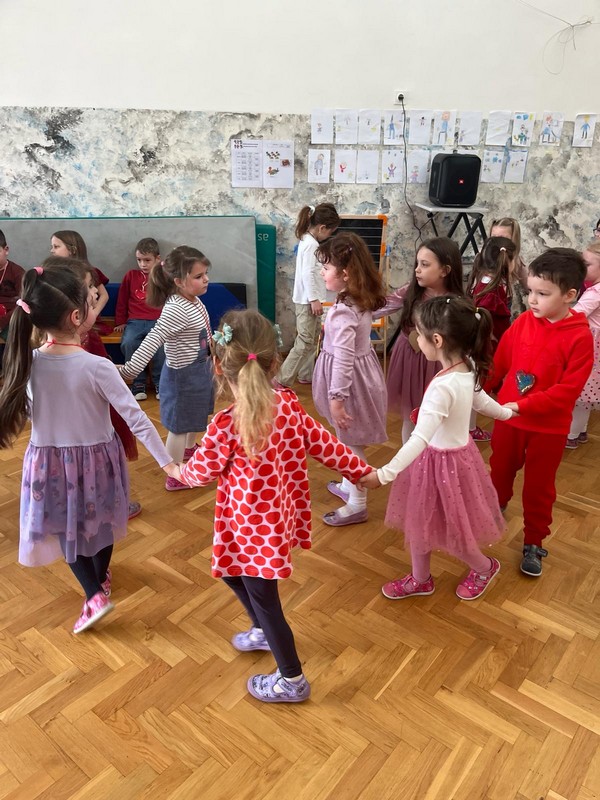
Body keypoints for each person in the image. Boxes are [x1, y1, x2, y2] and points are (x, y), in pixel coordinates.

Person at [172, 310, 372, 703]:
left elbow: (200, 472)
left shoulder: (227, 424)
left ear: (218, 365)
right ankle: (262, 630)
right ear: (275, 361)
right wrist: (361, 471)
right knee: (232, 575)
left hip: (253, 532)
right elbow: (327, 445)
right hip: (267, 524)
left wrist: (178, 471)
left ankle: (292, 680)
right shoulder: (288, 406)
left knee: (267, 602)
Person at [0, 264, 177, 634]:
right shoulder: (97, 366)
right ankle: (98, 584)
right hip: (98, 460)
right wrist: (168, 464)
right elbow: (136, 418)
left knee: (67, 528)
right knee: (104, 521)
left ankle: (93, 591)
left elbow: (30, 411)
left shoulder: (26, 362)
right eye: (91, 301)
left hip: (49, 463)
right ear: (77, 316)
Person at [359, 297, 514, 600]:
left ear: (437, 340)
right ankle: (421, 578)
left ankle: (484, 567)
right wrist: (508, 413)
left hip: (446, 467)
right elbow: (482, 401)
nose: (416, 339)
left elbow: (419, 438)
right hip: (441, 462)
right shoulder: (466, 365)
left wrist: (384, 474)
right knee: (420, 523)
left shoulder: (443, 387)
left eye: (419, 333)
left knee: (456, 532)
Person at [487, 248, 594, 577]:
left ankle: (534, 540)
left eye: (543, 294)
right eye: (530, 291)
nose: (532, 300)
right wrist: (478, 388)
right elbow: (500, 363)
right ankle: (494, 508)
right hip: (508, 419)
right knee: (499, 469)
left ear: (569, 295)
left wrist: (522, 405)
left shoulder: (580, 337)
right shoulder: (522, 322)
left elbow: (566, 392)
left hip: (548, 428)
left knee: (539, 487)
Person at [119, 245, 214, 490]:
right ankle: (175, 475)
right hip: (183, 378)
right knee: (179, 427)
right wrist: (129, 370)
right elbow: (153, 339)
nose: (206, 279)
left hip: (199, 371)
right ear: (179, 282)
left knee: (194, 417)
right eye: (199, 276)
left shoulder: (192, 300)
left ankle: (189, 450)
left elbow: (203, 331)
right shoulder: (175, 309)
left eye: (205, 274)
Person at [311, 232, 387, 526]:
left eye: (326, 267)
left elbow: (343, 358)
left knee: (350, 444)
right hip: (357, 377)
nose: (322, 272)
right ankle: (348, 485)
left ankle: (357, 504)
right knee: (347, 437)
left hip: (348, 385)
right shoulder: (358, 299)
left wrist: (337, 399)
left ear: (345, 274)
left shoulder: (344, 311)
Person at [381, 238, 464, 444]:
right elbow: (382, 306)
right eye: (417, 263)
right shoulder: (411, 291)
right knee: (410, 415)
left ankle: (431, 457)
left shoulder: (455, 302)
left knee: (435, 414)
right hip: (409, 358)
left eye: (425, 265)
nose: (417, 269)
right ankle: (410, 458)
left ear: (445, 270)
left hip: (437, 363)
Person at [277, 203, 340, 387]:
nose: (330, 236)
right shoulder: (311, 245)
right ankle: (281, 379)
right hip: (308, 301)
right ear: (322, 228)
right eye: (330, 232)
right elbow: (307, 274)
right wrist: (314, 300)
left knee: (312, 339)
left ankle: (305, 374)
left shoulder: (308, 240)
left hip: (310, 300)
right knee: (305, 341)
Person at [466, 236, 516, 441]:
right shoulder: (493, 291)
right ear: (507, 260)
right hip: (483, 346)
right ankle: (469, 428)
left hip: (479, 343)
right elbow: (492, 322)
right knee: (476, 387)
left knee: (475, 385)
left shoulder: (483, 281)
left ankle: (469, 427)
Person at [114, 237, 165, 401]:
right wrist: (120, 321)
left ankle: (160, 382)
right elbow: (122, 300)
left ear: (157, 259)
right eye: (139, 260)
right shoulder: (131, 275)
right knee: (129, 343)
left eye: (147, 260)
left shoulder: (163, 276)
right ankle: (138, 382)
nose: (143, 264)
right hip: (135, 321)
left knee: (161, 347)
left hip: (158, 321)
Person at [566, 241, 600, 448]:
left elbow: (575, 314)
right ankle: (580, 431)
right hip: (595, 349)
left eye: (587, 265)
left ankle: (571, 435)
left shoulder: (595, 292)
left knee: (581, 395)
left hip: (591, 350)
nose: (582, 268)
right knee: (585, 396)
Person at [50, 230, 110, 324]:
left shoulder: (90, 271)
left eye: (56, 246)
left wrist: (94, 313)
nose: (52, 250)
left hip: (86, 319)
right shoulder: (53, 273)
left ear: (72, 250)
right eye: (52, 247)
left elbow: (104, 295)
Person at [490, 217, 528, 315]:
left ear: (513, 240)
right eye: (493, 237)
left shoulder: (516, 260)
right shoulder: (483, 256)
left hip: (504, 301)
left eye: (503, 238)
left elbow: (529, 285)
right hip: (483, 300)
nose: (497, 242)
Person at [0, 229, 25, 370]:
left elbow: (24, 303)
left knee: (15, 333)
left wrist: (3, 321)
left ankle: (10, 370)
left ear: (6, 250)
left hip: (11, 317)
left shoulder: (17, 272)